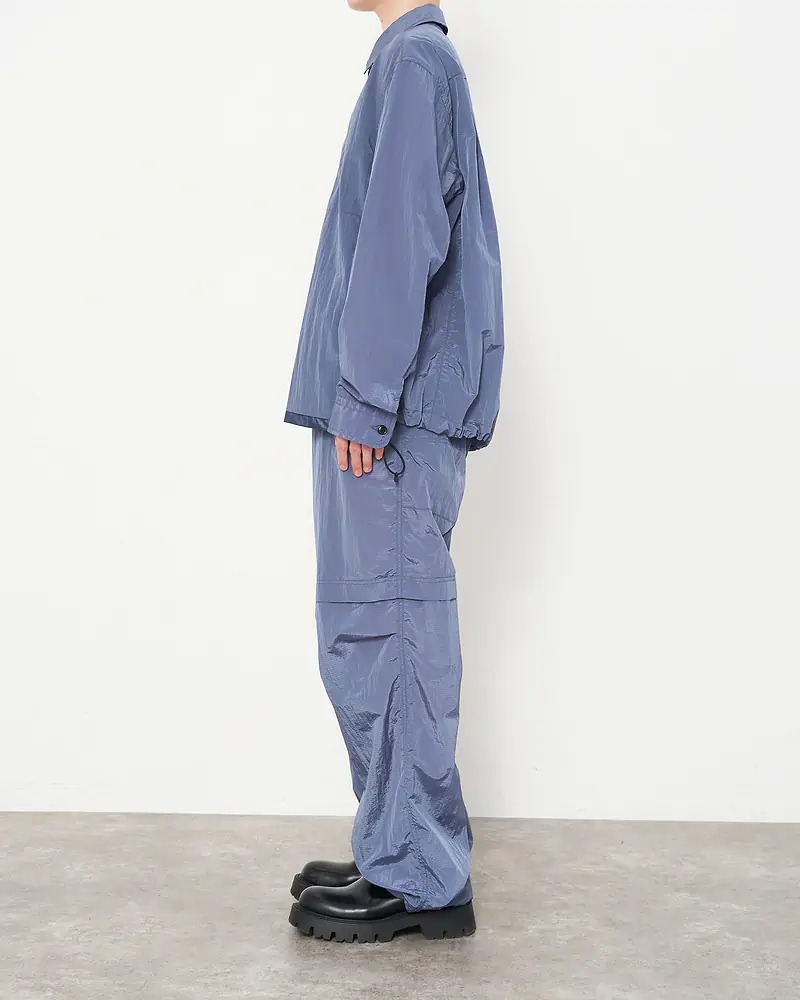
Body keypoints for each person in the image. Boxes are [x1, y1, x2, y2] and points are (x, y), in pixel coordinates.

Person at [284, 0, 503, 943]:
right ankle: (393, 840)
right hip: (382, 410)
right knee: (367, 633)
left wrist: (367, 395)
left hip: (393, 416)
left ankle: (419, 874)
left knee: (393, 632)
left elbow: (401, 237)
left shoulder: (415, 64)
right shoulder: (404, 63)